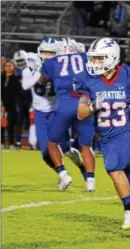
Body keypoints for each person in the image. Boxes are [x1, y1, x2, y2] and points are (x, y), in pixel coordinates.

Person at [73, 37, 130, 231]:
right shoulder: (89, 80)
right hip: (106, 139)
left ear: (112, 57)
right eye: (94, 58)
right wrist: (93, 106)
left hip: (128, 134)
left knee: (113, 167)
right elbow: (80, 114)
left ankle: (129, 211)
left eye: (99, 58)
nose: (94, 62)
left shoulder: (129, 76)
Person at [14, 38, 90, 191]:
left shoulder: (61, 66)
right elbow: (25, 84)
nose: (47, 55)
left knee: (66, 149)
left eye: (51, 53)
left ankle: (83, 169)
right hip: (41, 113)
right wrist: (38, 71)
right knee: (45, 152)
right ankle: (63, 174)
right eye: (44, 52)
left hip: (58, 111)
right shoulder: (33, 61)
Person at [41, 37, 95, 192]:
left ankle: (64, 175)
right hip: (84, 103)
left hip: (64, 105)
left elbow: (43, 80)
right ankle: (90, 181)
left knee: (52, 142)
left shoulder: (51, 62)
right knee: (86, 145)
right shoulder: (85, 57)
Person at [1, 60, 22, 149]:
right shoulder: (1, 78)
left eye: (10, 66)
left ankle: (11, 143)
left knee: (10, 125)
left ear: (14, 67)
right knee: (1, 125)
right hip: (1, 104)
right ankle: (1, 142)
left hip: (11, 106)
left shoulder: (16, 79)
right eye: (6, 66)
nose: (8, 67)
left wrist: (7, 104)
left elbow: (16, 93)